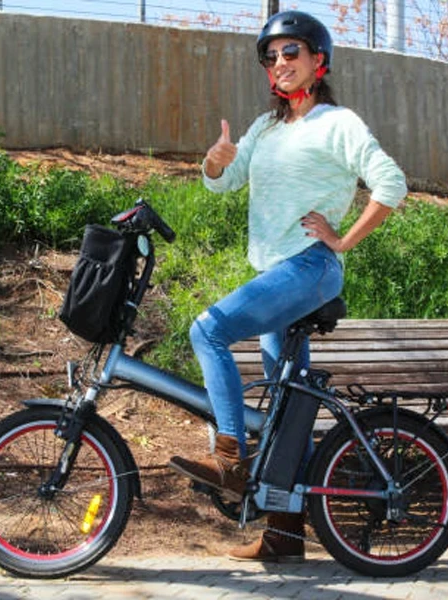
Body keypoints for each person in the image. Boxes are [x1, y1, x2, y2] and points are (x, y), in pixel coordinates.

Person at [168, 10, 407, 563]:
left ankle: (230, 458)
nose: (280, 63)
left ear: (318, 61)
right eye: (270, 57)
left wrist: (343, 241)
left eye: (291, 53)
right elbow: (224, 183)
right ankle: (284, 537)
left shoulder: (337, 123)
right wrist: (214, 161)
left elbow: (391, 182)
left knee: (208, 331)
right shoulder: (267, 127)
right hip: (277, 274)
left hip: (309, 268)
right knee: (286, 411)